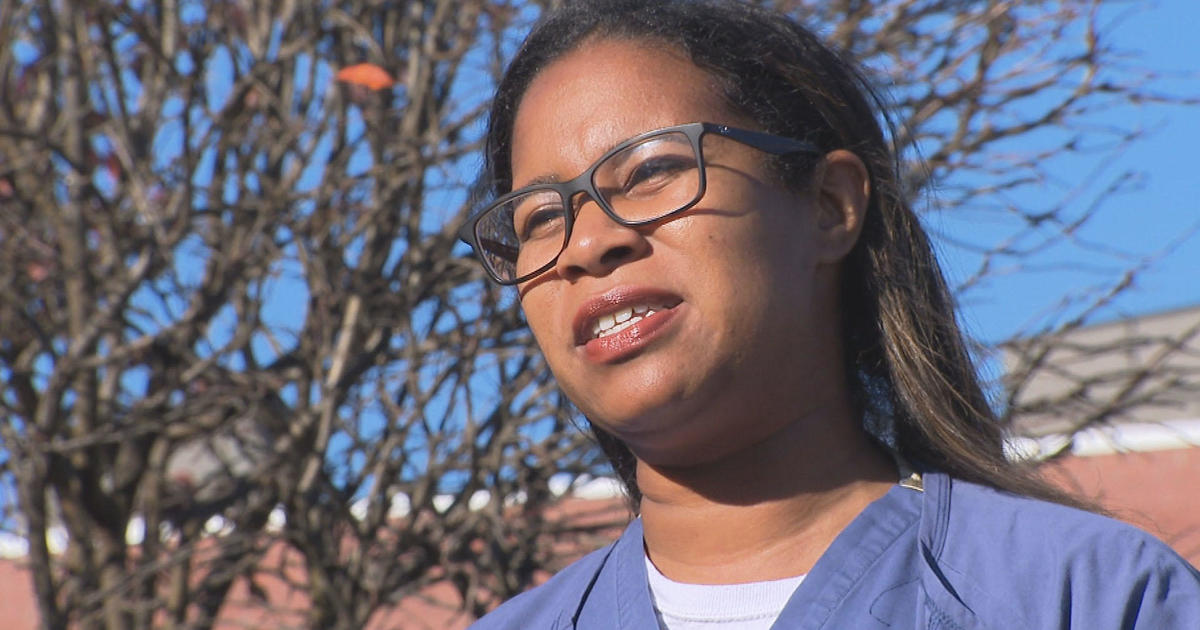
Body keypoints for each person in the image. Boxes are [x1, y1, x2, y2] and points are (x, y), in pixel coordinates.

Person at [456, 1, 1200, 628]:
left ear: (829, 206)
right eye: (536, 219)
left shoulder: (1084, 597)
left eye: (652, 170)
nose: (587, 241)